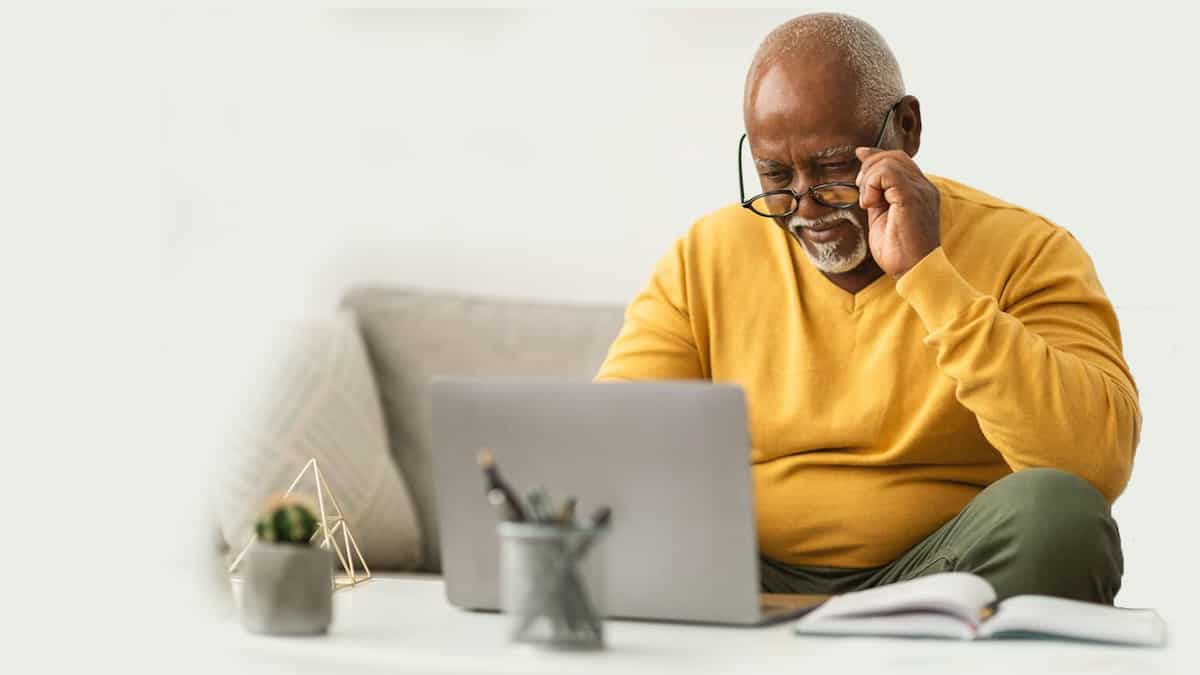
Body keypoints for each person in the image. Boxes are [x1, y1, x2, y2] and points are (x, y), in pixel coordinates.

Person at [594, 13, 1139, 604]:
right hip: (745, 571)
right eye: (776, 175)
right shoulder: (707, 254)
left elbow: (1092, 465)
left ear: (905, 129)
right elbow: (613, 446)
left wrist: (928, 274)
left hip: (946, 571)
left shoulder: (1028, 249)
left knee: (1061, 517)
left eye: (833, 168)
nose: (805, 207)